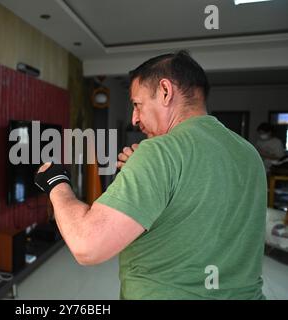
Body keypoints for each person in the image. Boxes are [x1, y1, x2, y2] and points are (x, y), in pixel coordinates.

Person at [35, 51, 267, 300]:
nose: (134, 118)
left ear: (165, 92)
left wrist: (56, 182)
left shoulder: (159, 151)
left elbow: (86, 246)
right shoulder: (248, 153)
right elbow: (199, 210)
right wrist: (148, 178)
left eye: (137, 104)